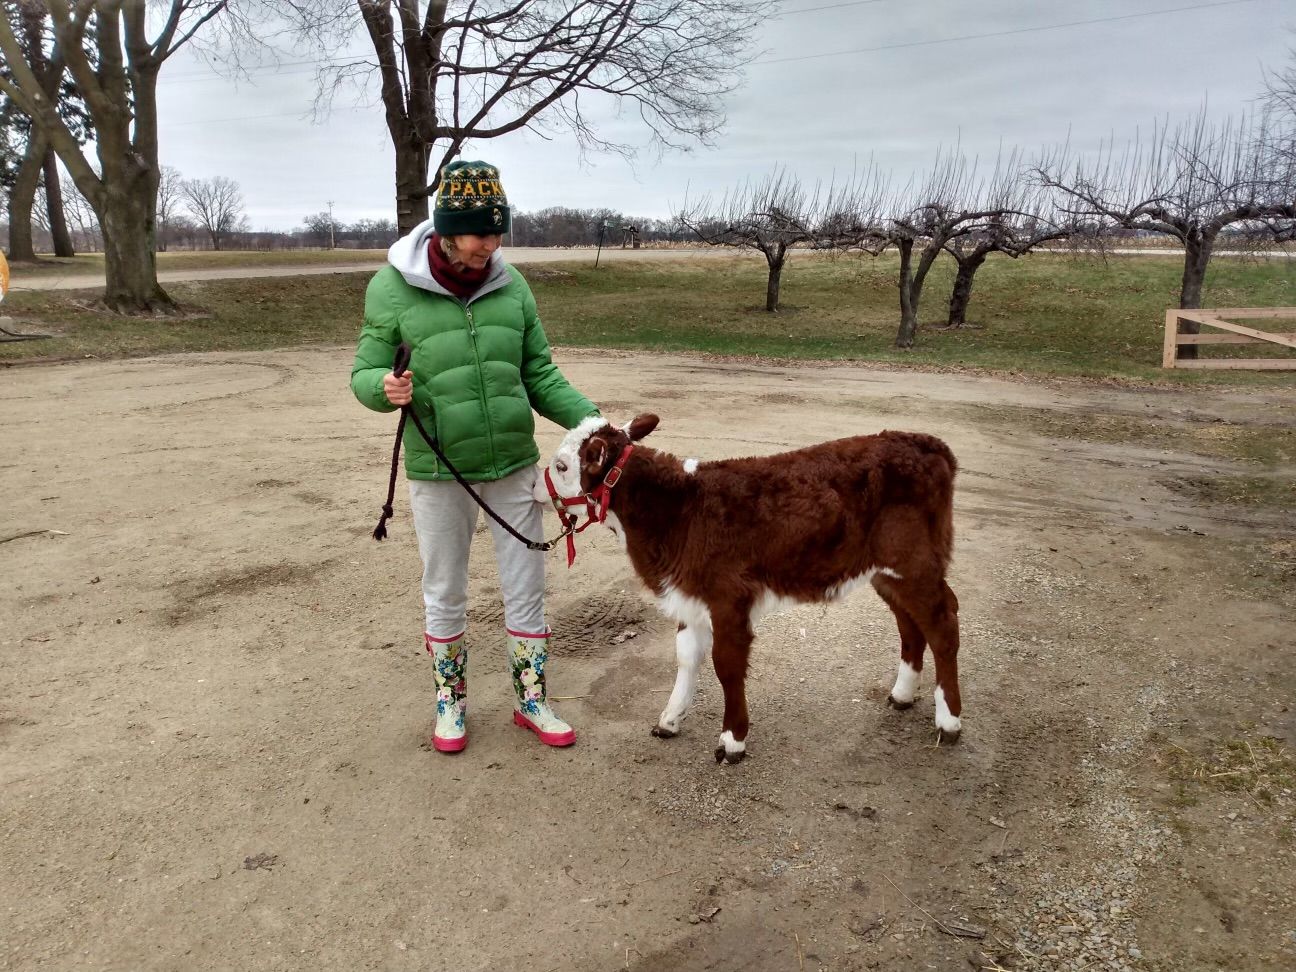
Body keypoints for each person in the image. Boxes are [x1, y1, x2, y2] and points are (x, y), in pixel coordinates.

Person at [351, 160, 599, 753]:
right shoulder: (391, 287)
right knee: (445, 586)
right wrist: (383, 390)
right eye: (479, 233)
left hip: (512, 460)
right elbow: (363, 370)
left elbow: (539, 371)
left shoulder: (512, 287)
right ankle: (450, 705)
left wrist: (592, 422)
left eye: (497, 232)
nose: (490, 245)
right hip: (440, 470)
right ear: (445, 229)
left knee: (527, 584)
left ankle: (531, 699)